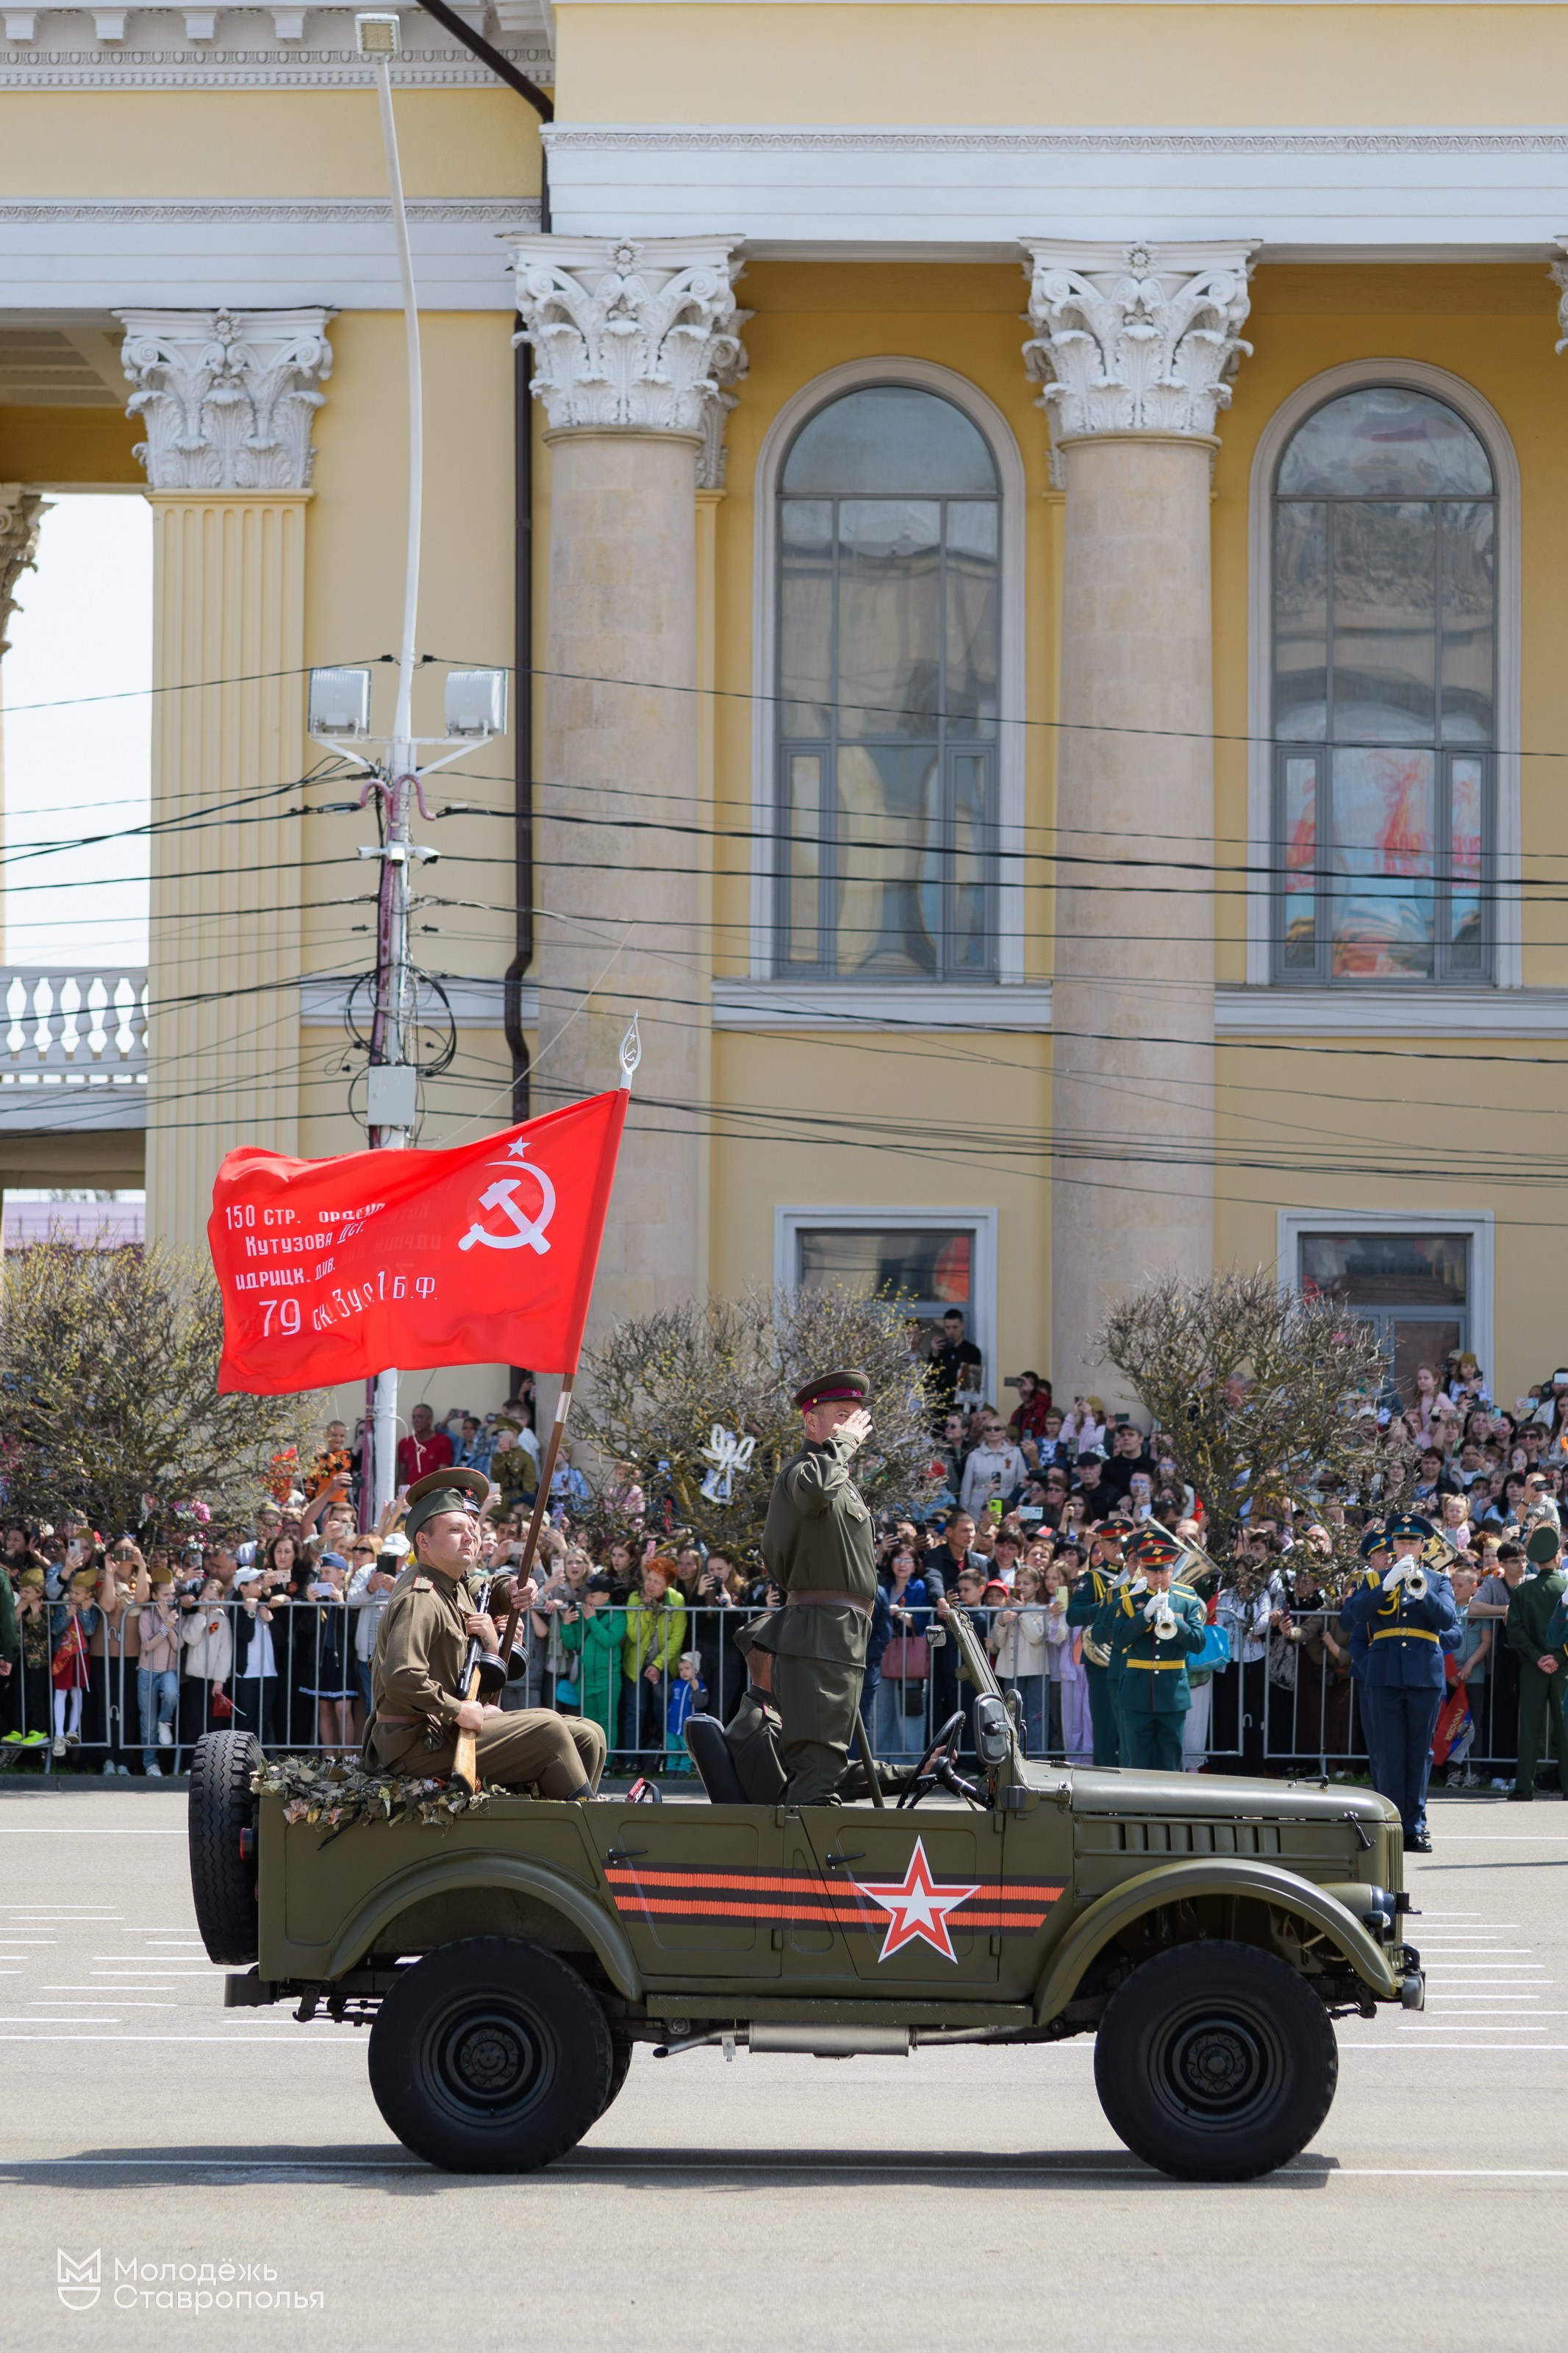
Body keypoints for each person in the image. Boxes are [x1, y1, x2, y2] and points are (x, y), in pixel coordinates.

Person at [368, 1468, 605, 1799]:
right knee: (549, 1731)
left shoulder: (454, 1582)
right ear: (423, 1541)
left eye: (471, 1529)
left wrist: (517, 1588)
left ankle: (560, 1828)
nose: (470, 1537)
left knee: (587, 1732)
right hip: (416, 1744)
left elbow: (491, 1587)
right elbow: (402, 1676)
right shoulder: (420, 1596)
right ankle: (586, 1830)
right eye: (455, 1530)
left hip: (443, 1731)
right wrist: (459, 1710)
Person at [748, 1368, 878, 1807]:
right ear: (812, 1423)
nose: (854, 1427)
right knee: (818, 1771)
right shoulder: (806, 1471)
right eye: (842, 1416)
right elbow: (818, 1489)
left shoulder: (835, 1478)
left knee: (829, 1763)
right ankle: (804, 1873)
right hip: (822, 1634)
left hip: (837, 1635)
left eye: (857, 1417)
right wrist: (843, 1444)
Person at [1339, 1510, 1460, 1852]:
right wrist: (1386, 1585)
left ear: (1424, 1546)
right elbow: (1349, 1619)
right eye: (1401, 1540)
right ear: (1392, 1544)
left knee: (1419, 1753)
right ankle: (1389, 1825)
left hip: (1424, 1673)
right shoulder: (1374, 1580)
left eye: (1413, 1541)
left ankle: (1415, 1826)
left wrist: (1424, 1594)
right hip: (1385, 1673)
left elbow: (1450, 1619)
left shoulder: (1439, 1580)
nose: (1407, 1546)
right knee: (1389, 1753)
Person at [1093, 1531, 1207, 1771]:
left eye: (1163, 1571)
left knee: (1170, 1762)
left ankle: (1168, 1809)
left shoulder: (1186, 1599)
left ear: (1171, 1570)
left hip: (1172, 1693)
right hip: (1137, 1693)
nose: (1158, 1577)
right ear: (1143, 1570)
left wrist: (1176, 1625)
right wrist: (1144, 1616)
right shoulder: (1129, 1599)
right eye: (1153, 1571)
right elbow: (1120, 1640)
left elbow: (1198, 1642)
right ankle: (1136, 1810)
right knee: (1137, 1762)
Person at [1505, 1523, 1568, 1802]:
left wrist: (1537, 1656)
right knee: (1564, 1728)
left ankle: (1523, 1786)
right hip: (1564, 1667)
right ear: (1557, 1557)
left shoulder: (1521, 1592)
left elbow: (1515, 1630)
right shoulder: (1565, 1589)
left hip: (1533, 1668)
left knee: (1529, 1727)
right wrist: (1557, 1656)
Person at [395, 1401, 454, 1489]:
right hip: (408, 1497)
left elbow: (443, 1476)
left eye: (420, 1417)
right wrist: (400, 1498)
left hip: (431, 1496)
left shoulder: (442, 1441)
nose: (416, 1421)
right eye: (414, 1417)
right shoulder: (404, 1443)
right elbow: (402, 1475)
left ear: (430, 1419)